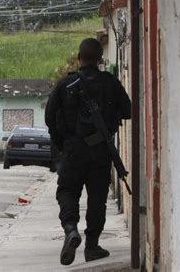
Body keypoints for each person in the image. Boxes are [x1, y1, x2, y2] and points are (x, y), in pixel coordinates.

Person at [45, 38, 131, 266]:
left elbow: (49, 117)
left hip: (73, 150)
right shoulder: (110, 82)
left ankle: (71, 229)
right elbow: (128, 110)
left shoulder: (66, 84)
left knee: (67, 191)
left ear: (78, 58)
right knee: (97, 198)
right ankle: (92, 247)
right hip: (101, 151)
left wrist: (62, 143)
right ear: (101, 59)